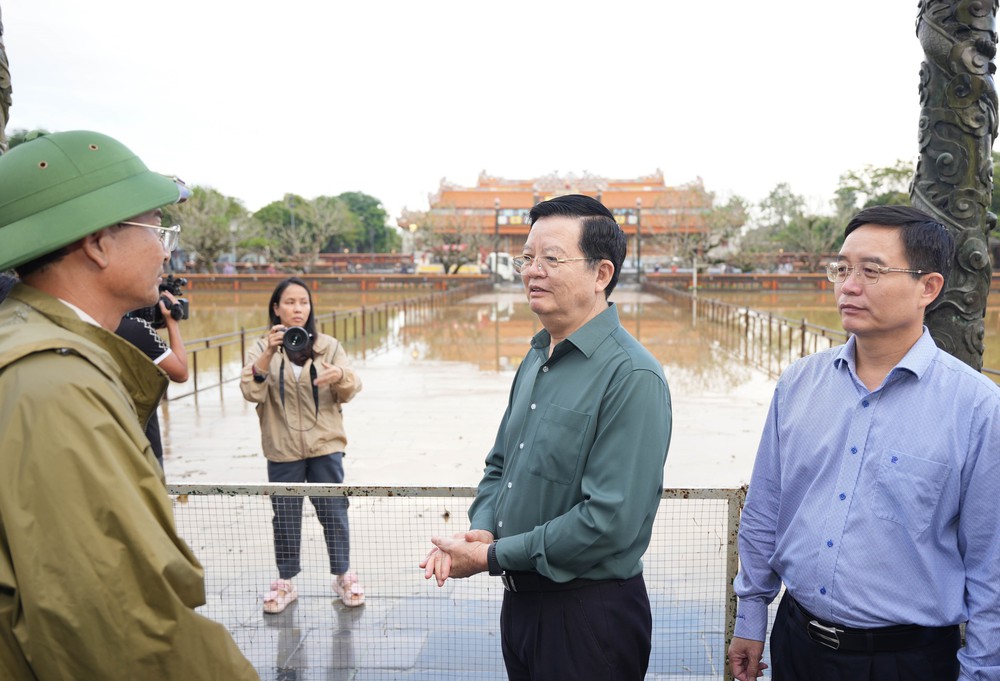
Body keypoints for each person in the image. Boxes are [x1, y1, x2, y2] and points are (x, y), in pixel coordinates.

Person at [0, 130, 258, 679]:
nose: (166, 250)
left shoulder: (39, 346)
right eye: (156, 229)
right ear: (98, 243)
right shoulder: (55, 382)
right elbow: (121, 628)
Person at [729, 205, 1000, 681]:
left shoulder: (977, 408)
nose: (848, 286)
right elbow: (766, 510)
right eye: (842, 269)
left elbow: (990, 563)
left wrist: (981, 671)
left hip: (907, 661)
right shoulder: (799, 383)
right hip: (795, 643)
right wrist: (750, 616)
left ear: (928, 287)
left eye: (871, 271)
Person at [420, 194, 672, 680]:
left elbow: (608, 522)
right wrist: (484, 528)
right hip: (520, 603)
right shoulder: (537, 357)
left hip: (588, 614)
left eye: (552, 259)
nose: (533, 271)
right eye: (527, 258)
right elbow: (501, 466)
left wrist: (491, 556)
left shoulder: (632, 375)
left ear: (601, 274)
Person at [240, 277, 365, 613]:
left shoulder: (328, 346)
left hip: (325, 444)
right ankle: (285, 581)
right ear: (276, 308)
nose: (298, 309)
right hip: (282, 448)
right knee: (284, 515)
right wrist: (269, 352)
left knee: (334, 511)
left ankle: (342, 575)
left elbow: (352, 388)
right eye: (290, 302)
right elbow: (250, 391)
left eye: (304, 302)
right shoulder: (261, 348)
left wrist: (340, 376)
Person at [116, 289, 189, 468]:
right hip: (144, 442)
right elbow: (181, 373)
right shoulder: (135, 329)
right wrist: (172, 323)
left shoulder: (82, 325)